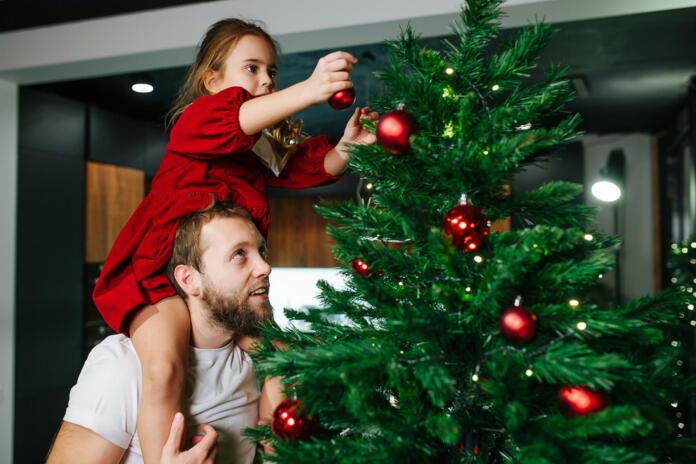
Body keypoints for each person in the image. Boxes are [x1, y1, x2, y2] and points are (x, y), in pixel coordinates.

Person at [91, 18, 378, 463]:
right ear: (212, 79)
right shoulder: (196, 121)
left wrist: (346, 150)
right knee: (165, 368)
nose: (265, 79)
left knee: (281, 358)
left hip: (220, 287)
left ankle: (277, 447)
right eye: (251, 68)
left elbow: (299, 168)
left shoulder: (257, 146)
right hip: (161, 275)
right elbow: (236, 118)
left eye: (272, 72)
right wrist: (310, 87)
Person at [48, 202, 279, 464]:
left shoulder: (260, 362)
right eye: (239, 254)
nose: (264, 267)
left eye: (261, 251)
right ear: (189, 280)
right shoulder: (123, 367)